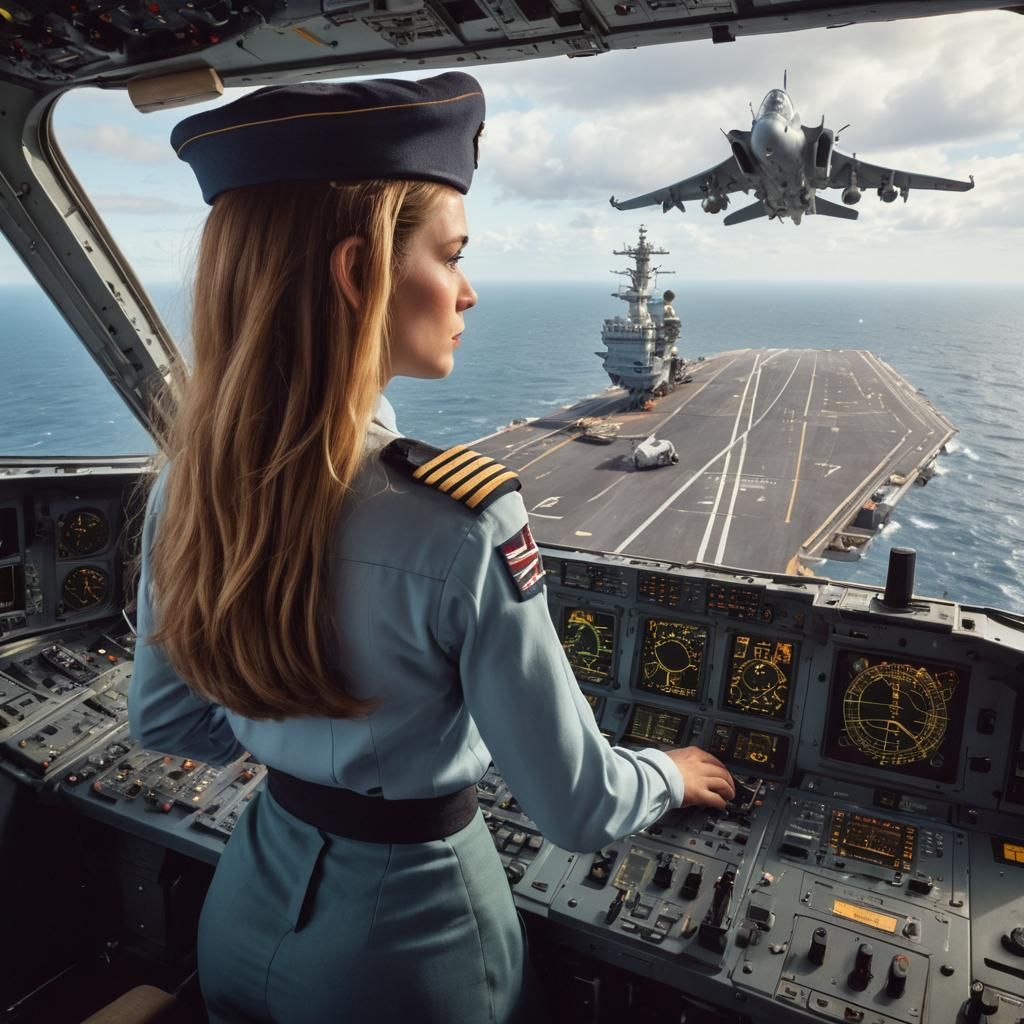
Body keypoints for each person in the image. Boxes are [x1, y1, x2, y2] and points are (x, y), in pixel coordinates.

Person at [128, 71, 735, 1024]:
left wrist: (301, 744)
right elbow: (576, 807)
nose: (469, 291)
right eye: (451, 255)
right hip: (407, 955)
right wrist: (667, 772)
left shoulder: (189, 484)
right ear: (358, 272)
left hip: (243, 911)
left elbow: (166, 721)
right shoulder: (459, 518)